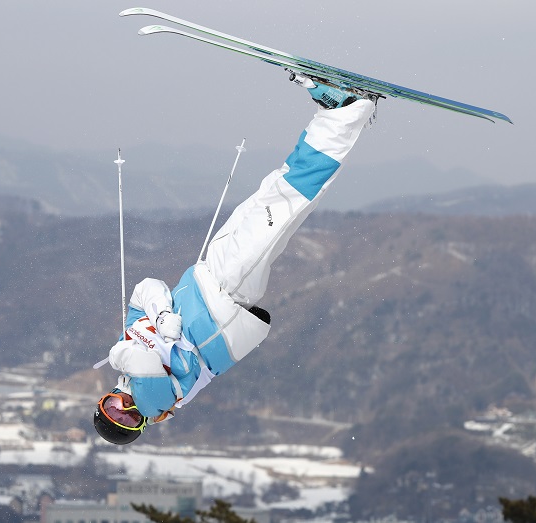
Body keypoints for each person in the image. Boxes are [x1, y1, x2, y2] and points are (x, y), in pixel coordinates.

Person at [93, 77, 377, 444]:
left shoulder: (130, 347)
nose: (126, 409)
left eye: (113, 408)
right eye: (127, 421)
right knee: (288, 202)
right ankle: (349, 111)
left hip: (209, 272)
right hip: (225, 298)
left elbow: (145, 290)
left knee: (275, 192)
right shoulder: (156, 401)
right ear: (142, 424)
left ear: (106, 398)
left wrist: (162, 314)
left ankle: (330, 115)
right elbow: (140, 362)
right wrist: (120, 352)